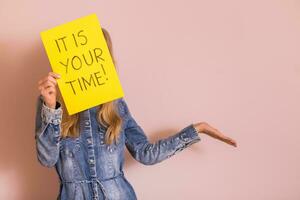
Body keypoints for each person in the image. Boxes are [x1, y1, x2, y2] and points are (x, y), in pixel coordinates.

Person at [35, 28, 237, 200]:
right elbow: (46, 159)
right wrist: (51, 108)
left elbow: (145, 153)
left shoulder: (116, 106)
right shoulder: (52, 107)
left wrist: (196, 129)